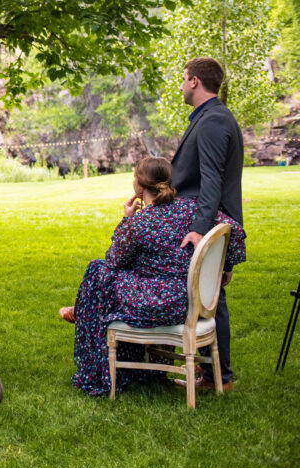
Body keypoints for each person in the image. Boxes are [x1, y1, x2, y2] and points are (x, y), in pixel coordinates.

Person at [61, 157, 245, 397]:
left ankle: (84, 313)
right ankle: (83, 308)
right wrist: (225, 266)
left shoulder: (140, 222)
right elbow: (235, 230)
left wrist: (126, 219)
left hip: (160, 304)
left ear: (139, 186)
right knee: (113, 274)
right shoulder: (193, 209)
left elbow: (114, 260)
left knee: (98, 270)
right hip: (192, 300)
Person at [171, 57, 245, 392]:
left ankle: (219, 376)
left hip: (209, 222)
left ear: (196, 81)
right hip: (206, 219)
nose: (182, 84)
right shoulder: (210, 117)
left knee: (211, 295)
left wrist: (200, 230)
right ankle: (213, 374)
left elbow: (212, 182)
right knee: (208, 294)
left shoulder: (214, 120)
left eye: (184, 78)